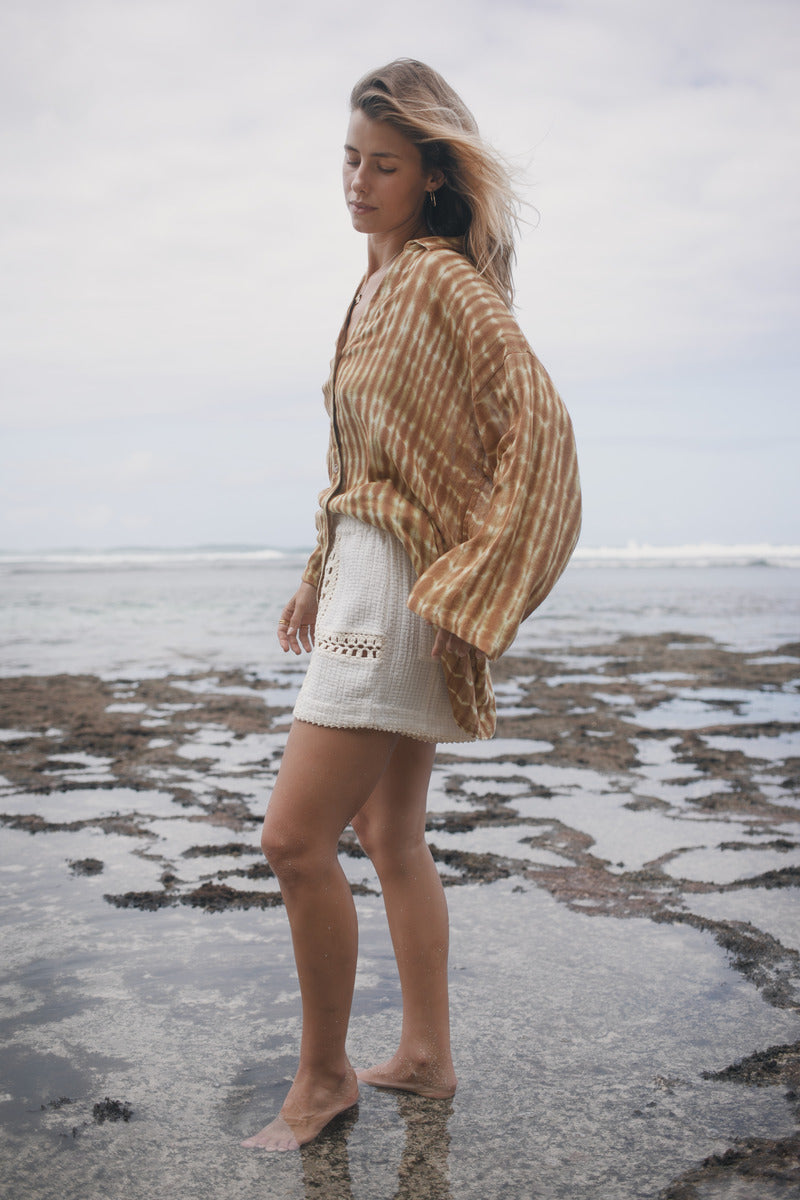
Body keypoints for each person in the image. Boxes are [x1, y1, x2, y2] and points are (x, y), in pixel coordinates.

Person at [241, 58, 581, 1152]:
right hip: (361, 570)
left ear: (432, 176)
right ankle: (426, 1054)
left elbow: (543, 435)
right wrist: (316, 569)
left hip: (399, 590)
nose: (357, 182)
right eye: (349, 159)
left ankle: (322, 1078)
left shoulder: (440, 281)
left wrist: (471, 583)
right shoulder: (374, 286)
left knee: (293, 838)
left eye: (382, 165)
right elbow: (361, 462)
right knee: (387, 832)